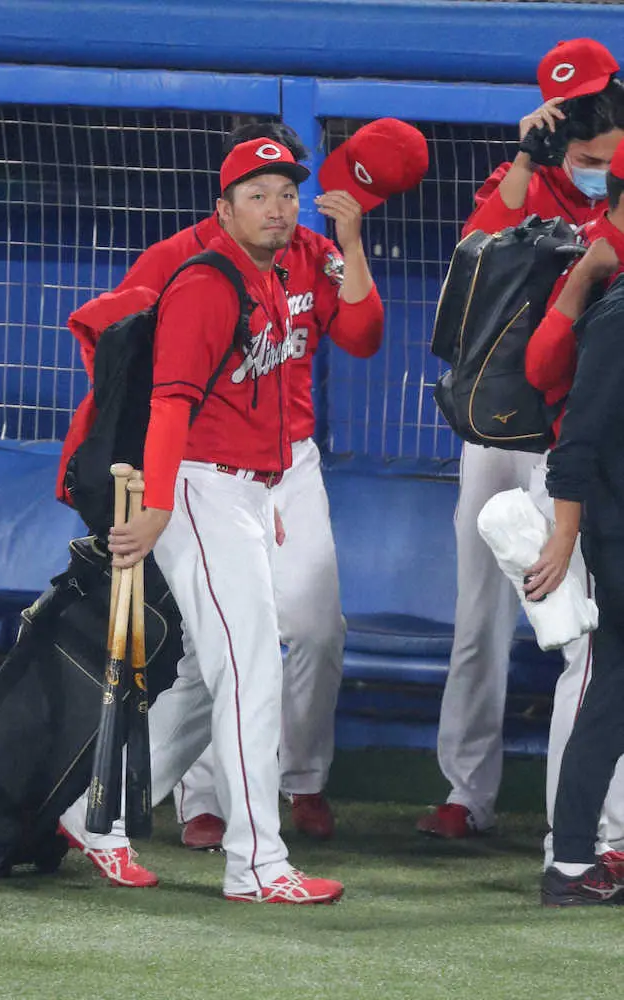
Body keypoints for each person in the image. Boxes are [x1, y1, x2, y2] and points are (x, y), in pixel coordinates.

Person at [61, 117, 427, 871]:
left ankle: (95, 817)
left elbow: (361, 335)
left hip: (282, 471)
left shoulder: (303, 257)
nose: (278, 204)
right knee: (245, 659)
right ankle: (251, 854)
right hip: (206, 478)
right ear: (225, 204)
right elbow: (138, 372)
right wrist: (149, 492)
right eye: (258, 191)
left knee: (233, 657)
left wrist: (352, 243)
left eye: (287, 189)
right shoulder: (192, 268)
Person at [417, 37, 624, 840]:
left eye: (605, 151)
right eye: (580, 150)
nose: (595, 163)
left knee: (584, 636)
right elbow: (478, 250)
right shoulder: (530, 179)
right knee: (479, 621)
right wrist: (522, 161)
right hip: (500, 428)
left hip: (570, 439)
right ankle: (466, 793)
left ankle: (586, 833)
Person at [525, 141, 624, 870]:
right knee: (605, 697)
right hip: (612, 530)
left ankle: (577, 858)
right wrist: (565, 539)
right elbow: (576, 443)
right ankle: (572, 859)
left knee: (609, 700)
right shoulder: (616, 312)